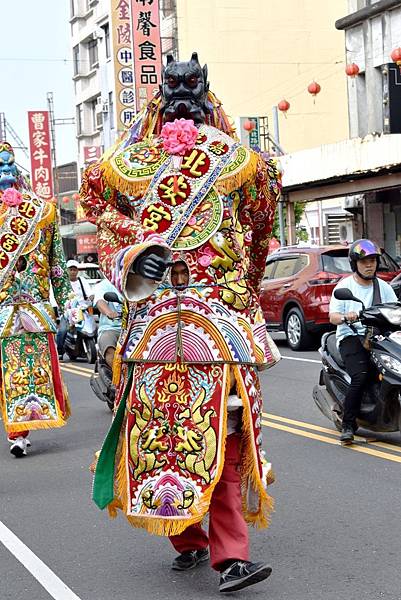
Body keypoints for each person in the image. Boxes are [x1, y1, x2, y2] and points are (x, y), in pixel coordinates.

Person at [81, 53, 281, 593]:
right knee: (160, 439)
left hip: (217, 324)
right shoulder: (126, 166)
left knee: (224, 431)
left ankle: (230, 554)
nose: (184, 95)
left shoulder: (239, 163)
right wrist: (132, 256)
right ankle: (187, 537)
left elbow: (260, 231)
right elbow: (102, 218)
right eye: (176, 85)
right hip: (152, 326)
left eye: (192, 85)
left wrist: (244, 290)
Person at [0, 141, 72, 457]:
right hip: (7, 311)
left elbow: (56, 263)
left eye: (8, 164)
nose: (5, 170)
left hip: (34, 310)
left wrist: (69, 300)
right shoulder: (42, 210)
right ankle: (17, 431)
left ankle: (20, 432)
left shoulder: (42, 212)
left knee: (30, 373)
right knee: (11, 374)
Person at [329, 239, 397, 445]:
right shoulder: (345, 287)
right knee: (360, 376)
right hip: (351, 337)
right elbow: (333, 316)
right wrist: (346, 316)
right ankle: (348, 425)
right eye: (364, 261)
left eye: (373, 261)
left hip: (379, 337)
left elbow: (395, 308)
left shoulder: (383, 287)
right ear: (354, 264)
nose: (370, 265)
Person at [57, 259, 94, 358]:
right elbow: (57, 296)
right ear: (67, 271)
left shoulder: (82, 281)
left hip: (82, 310)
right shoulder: (62, 283)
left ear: (77, 271)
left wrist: (92, 298)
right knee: (62, 331)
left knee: (93, 328)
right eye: (71, 269)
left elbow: (90, 294)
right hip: (67, 312)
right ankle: (60, 351)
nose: (73, 272)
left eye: (74, 269)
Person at [92, 278, 123, 368]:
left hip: (137, 328)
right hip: (112, 328)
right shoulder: (104, 285)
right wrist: (109, 312)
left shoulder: (141, 283)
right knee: (109, 344)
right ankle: (118, 378)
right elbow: (100, 301)